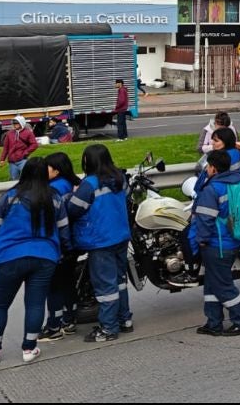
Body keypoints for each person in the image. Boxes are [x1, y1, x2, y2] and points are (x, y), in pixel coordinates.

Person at [0, 157, 71, 366]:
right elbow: (64, 229)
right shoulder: (55, 198)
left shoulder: (10, 197)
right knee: (35, 304)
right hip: (45, 256)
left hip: (11, 256)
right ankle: (29, 348)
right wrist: (64, 250)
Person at [67, 144, 132, 342]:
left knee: (105, 288)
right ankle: (124, 319)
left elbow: (73, 210)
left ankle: (108, 328)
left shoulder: (89, 184)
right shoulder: (120, 179)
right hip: (120, 236)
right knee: (120, 281)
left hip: (100, 240)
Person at [188, 149, 240, 336]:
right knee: (211, 283)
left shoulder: (212, 189)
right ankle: (214, 322)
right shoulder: (236, 182)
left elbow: (205, 220)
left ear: (214, 169)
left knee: (223, 285)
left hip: (217, 245)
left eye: (208, 166)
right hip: (232, 241)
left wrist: (200, 241)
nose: (206, 169)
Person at [38, 153, 82, 341]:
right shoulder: (71, 183)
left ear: (56, 170)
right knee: (67, 283)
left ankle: (53, 325)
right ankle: (69, 320)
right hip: (71, 240)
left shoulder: (53, 189)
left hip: (58, 242)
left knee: (53, 286)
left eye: (47, 167)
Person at [0, 116, 39, 181]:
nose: (14, 125)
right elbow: (6, 148)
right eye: (13, 124)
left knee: (26, 178)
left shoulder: (28, 133)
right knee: (14, 179)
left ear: (21, 123)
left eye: (16, 123)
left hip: (23, 160)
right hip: (12, 161)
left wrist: (25, 152)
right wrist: (2, 159)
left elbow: (34, 144)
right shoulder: (9, 134)